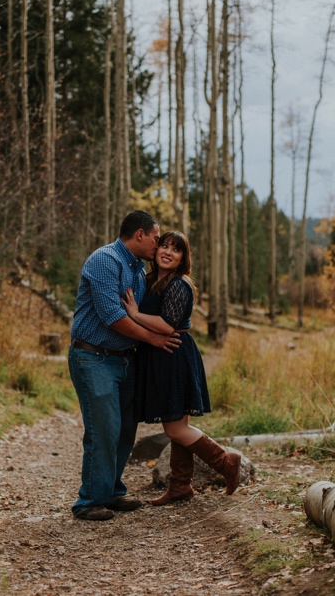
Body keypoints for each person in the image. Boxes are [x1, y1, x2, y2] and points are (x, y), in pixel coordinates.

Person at [68, 210, 182, 521]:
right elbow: (112, 316)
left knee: (124, 430)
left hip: (125, 361)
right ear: (140, 235)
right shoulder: (106, 260)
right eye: (156, 239)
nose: (158, 245)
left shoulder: (136, 269)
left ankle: (112, 492)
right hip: (94, 357)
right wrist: (153, 339)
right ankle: (88, 501)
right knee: (103, 430)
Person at [123, 230, 242, 505]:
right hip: (159, 357)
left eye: (175, 249)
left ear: (182, 258)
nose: (167, 252)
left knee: (174, 428)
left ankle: (226, 461)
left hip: (174, 356)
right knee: (178, 422)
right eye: (163, 245)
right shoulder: (151, 280)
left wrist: (135, 315)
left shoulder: (179, 285)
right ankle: (180, 485)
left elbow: (167, 325)